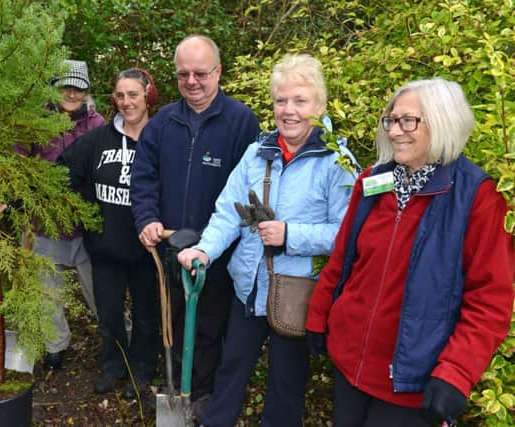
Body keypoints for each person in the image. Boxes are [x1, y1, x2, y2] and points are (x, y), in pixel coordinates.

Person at [305, 77, 515, 427]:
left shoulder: (478, 198)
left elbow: (490, 300)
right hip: (350, 363)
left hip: (412, 379)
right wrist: (319, 316)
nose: (395, 131)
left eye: (408, 121)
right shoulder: (373, 181)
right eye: (391, 119)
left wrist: (457, 372)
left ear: (443, 121)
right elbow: (343, 260)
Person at [177, 54, 356, 427]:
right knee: (231, 371)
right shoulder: (257, 153)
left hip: (296, 294)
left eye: (299, 101)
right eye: (281, 101)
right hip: (249, 287)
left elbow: (348, 233)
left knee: (285, 385)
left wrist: (290, 234)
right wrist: (205, 250)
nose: (288, 110)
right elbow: (229, 211)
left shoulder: (335, 161)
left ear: (319, 106)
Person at [130, 35, 260, 412]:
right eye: (183, 74)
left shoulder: (241, 121)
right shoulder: (162, 123)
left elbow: (248, 191)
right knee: (169, 320)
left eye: (200, 73)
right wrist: (147, 218)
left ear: (218, 72)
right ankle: (174, 385)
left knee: (208, 326)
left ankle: (201, 393)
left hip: (216, 252)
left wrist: (216, 242)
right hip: (169, 246)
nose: (192, 81)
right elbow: (143, 178)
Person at [58, 68, 160, 397]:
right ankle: (113, 366)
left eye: (133, 95)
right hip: (106, 248)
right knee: (110, 315)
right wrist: (22, 195)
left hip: (148, 250)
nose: (127, 102)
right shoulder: (99, 139)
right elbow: (65, 172)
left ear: (147, 96)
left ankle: (141, 371)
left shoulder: (160, 138)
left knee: (146, 317)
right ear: (113, 99)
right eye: (120, 96)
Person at [25, 59, 106, 371]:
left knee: (99, 290)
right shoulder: (37, 121)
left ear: (87, 92)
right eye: (67, 87)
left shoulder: (97, 124)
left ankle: (118, 341)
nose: (72, 93)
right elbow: (20, 159)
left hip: (85, 223)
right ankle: (56, 346)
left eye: (79, 88)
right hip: (45, 223)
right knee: (48, 293)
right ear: (56, 87)